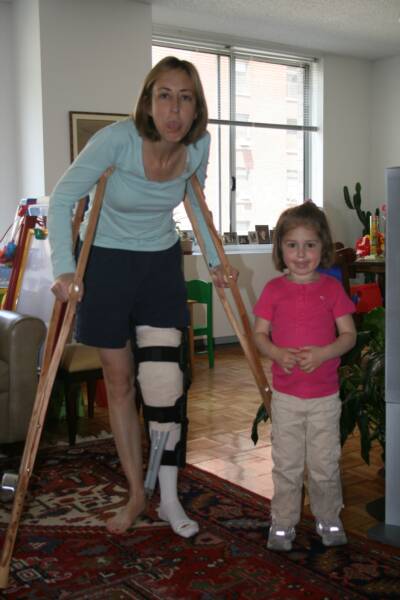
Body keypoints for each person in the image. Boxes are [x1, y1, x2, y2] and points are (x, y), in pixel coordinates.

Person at [48, 56, 236, 538]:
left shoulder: (198, 146)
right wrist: (64, 269)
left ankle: (169, 498)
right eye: (164, 96)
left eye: (185, 98)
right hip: (106, 260)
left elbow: (195, 202)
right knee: (120, 382)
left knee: (163, 380)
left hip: (158, 262)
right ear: (148, 103)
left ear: (197, 108)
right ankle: (136, 493)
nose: (175, 109)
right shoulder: (116, 141)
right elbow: (63, 198)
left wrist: (215, 260)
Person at [253, 201, 356, 551]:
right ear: (280, 249)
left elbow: (348, 335)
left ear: (322, 248)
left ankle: (329, 518)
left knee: (325, 463)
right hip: (286, 398)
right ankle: (283, 522)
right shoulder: (273, 290)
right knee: (287, 464)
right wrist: (276, 353)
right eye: (292, 245)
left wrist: (324, 353)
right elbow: (259, 335)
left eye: (309, 245)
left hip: (325, 399)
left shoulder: (332, 289)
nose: (300, 254)